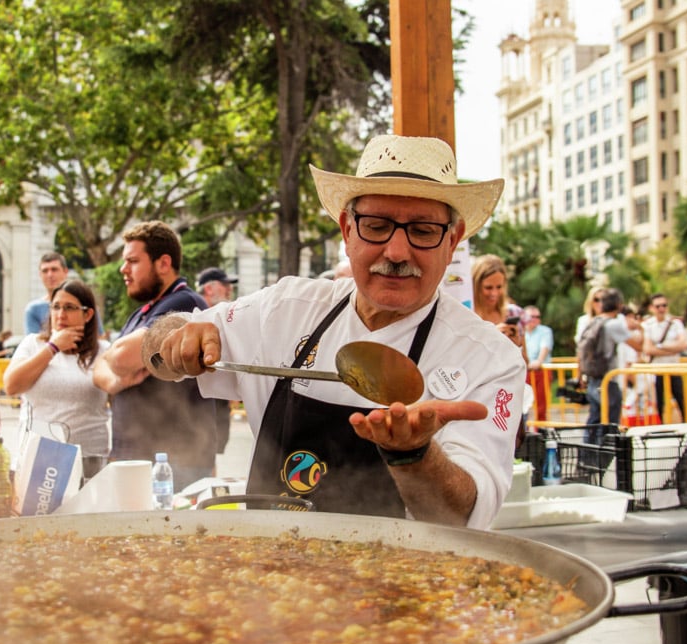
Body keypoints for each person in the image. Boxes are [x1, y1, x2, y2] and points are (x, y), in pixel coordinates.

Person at [141, 135, 521, 529]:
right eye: (376, 226)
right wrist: (175, 338)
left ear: (452, 240)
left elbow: (462, 516)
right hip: (268, 576)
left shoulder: (490, 358)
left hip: (407, 585)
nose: (396, 252)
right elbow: (157, 349)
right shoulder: (285, 309)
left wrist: (415, 455)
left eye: (423, 231)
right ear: (347, 230)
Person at [93, 220, 217, 489]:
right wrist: (118, 381)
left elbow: (119, 357)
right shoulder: (144, 312)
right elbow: (99, 368)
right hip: (138, 457)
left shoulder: (184, 303)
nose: (123, 269)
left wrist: (117, 363)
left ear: (163, 263)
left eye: (133, 261)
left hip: (176, 463)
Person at [4, 281, 110, 463]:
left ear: (88, 314)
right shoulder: (33, 344)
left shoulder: (104, 350)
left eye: (69, 308)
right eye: (56, 307)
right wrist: (52, 347)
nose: (61, 315)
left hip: (89, 457)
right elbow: (12, 386)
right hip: (38, 459)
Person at [578, 288, 643, 427]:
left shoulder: (594, 321)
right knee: (610, 423)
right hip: (608, 379)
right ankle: (605, 448)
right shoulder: (613, 325)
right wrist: (640, 328)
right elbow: (638, 345)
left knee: (594, 420)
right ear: (619, 304)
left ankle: (589, 449)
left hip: (593, 378)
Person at [196, 267, 239, 455]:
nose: (229, 289)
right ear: (209, 289)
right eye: (225, 285)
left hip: (218, 404)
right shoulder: (197, 316)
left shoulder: (222, 318)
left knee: (213, 453)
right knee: (206, 453)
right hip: (201, 407)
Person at [641, 293, 687, 423]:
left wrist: (660, 347)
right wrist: (672, 348)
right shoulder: (648, 325)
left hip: (674, 368)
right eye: (658, 306)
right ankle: (660, 427)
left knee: (683, 401)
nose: (661, 309)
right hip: (657, 371)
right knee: (658, 403)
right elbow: (648, 349)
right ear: (652, 308)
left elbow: (683, 344)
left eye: (664, 305)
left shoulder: (675, 323)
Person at [24, 252, 69, 335]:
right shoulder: (33, 309)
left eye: (54, 269)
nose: (50, 275)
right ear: (40, 275)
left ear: (65, 272)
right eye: (45, 271)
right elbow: (34, 345)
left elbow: (98, 338)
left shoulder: (83, 303)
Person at [522, 306, 553, 423]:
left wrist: (539, 361)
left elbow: (545, 347)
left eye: (537, 317)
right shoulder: (520, 331)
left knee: (541, 402)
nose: (535, 319)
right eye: (532, 316)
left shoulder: (545, 331)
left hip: (541, 370)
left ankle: (540, 430)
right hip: (524, 370)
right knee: (522, 402)